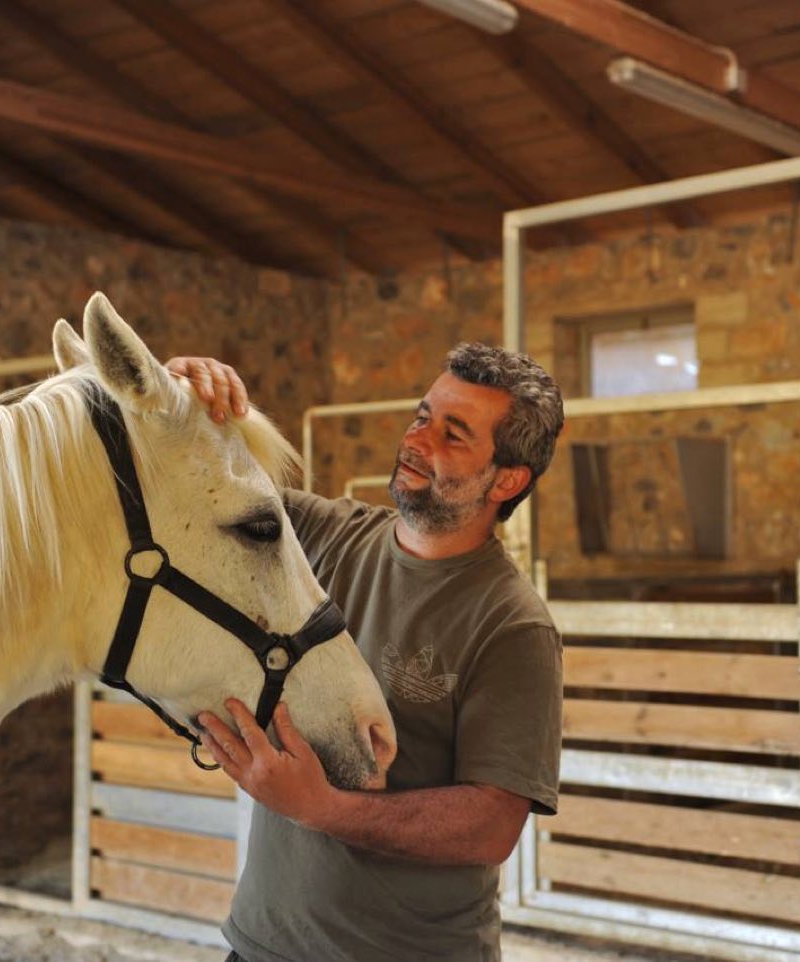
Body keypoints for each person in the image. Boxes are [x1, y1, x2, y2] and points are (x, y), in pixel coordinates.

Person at [167, 344, 565, 962]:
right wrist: (184, 398)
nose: (416, 440)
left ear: (507, 480)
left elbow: (491, 825)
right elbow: (204, 489)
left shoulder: (512, 624)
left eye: (453, 435)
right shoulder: (326, 536)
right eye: (421, 415)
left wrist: (321, 809)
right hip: (259, 946)